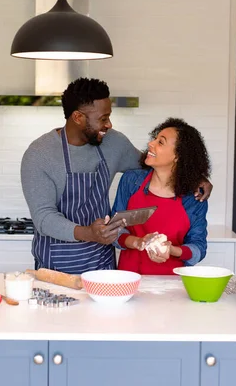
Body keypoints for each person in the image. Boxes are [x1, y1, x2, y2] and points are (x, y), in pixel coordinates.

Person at [20, 77, 213, 274]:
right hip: (58, 263)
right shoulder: (39, 155)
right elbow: (44, 219)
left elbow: (154, 164)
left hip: (102, 260)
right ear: (78, 117)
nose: (109, 125)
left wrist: (196, 176)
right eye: (103, 119)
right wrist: (89, 233)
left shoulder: (113, 143)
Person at [111, 117, 211, 275]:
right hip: (129, 279)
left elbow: (199, 248)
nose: (151, 144)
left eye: (160, 142)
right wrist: (138, 242)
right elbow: (114, 230)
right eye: (154, 139)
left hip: (173, 285)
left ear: (178, 156)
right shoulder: (131, 181)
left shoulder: (193, 198)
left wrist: (171, 250)